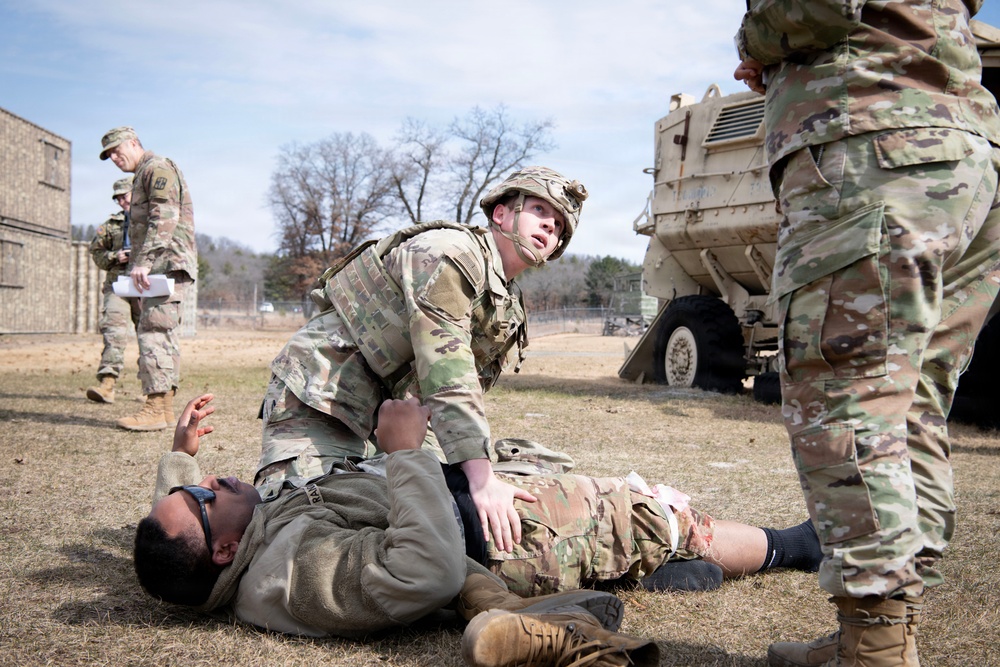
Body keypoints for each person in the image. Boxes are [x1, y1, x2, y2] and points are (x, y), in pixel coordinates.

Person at [133, 394, 821, 655]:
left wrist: (179, 457)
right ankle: (799, 545)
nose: (213, 480)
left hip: (465, 505)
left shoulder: (224, 553)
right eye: (203, 493)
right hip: (504, 542)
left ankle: (664, 572)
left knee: (627, 523)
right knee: (653, 512)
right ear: (224, 548)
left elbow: (170, 532)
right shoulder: (290, 573)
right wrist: (403, 454)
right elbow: (424, 571)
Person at [734, 3, 1000, 665]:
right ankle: (886, 628)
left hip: (876, 144)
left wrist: (759, 38)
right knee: (911, 404)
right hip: (964, 153)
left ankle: (876, 648)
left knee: (845, 397)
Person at [257, 166, 588, 555]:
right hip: (326, 387)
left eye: (559, 227)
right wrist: (480, 479)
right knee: (302, 523)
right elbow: (447, 370)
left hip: (403, 406)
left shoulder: (508, 304)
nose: (549, 227)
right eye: (538, 210)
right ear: (501, 213)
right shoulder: (449, 253)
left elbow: (446, 395)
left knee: (434, 513)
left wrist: (459, 475)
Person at [100, 126, 197, 432]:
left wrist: (143, 262)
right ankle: (164, 408)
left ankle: (155, 407)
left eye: (118, 150)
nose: (115, 158)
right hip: (163, 263)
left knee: (153, 332)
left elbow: (164, 216)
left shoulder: (156, 168)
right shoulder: (145, 172)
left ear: (133, 143)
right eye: (110, 156)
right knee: (161, 332)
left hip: (164, 263)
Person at [86, 176, 141, 404]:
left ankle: (152, 390)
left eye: (124, 195)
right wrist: (113, 256)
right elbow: (96, 253)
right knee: (113, 332)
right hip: (117, 285)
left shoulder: (150, 220)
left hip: (145, 285)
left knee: (149, 335)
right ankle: (107, 384)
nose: (121, 201)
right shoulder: (110, 225)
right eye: (117, 197)